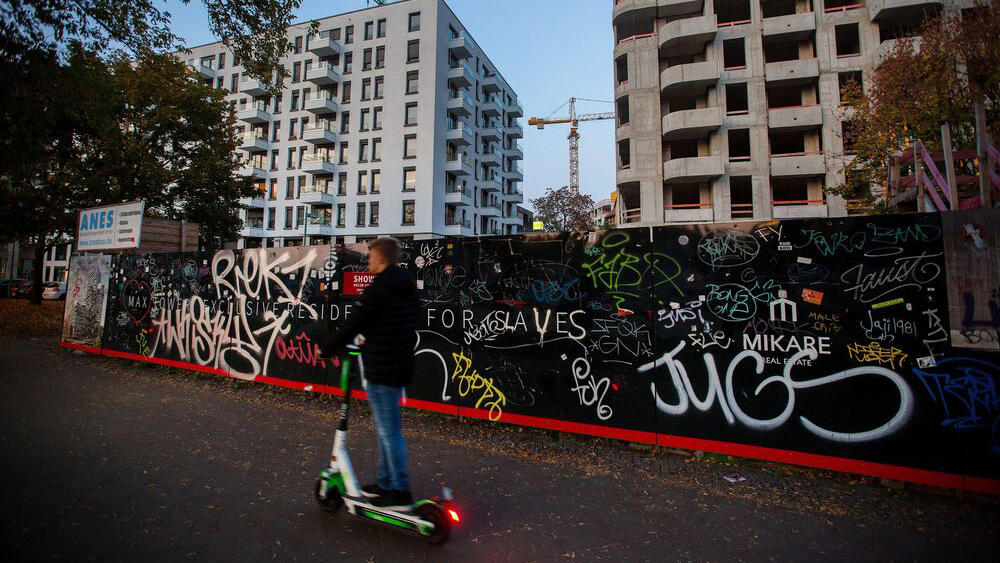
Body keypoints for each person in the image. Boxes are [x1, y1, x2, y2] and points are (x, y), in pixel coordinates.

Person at [321, 237, 419, 509]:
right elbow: (396, 322)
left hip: (382, 367)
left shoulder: (379, 289)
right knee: (389, 429)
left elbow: (354, 322)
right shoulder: (406, 287)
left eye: (372, 256)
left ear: (383, 258)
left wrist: (328, 347)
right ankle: (386, 483)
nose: (368, 261)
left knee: (389, 432)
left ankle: (399, 491)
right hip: (399, 364)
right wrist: (374, 336)